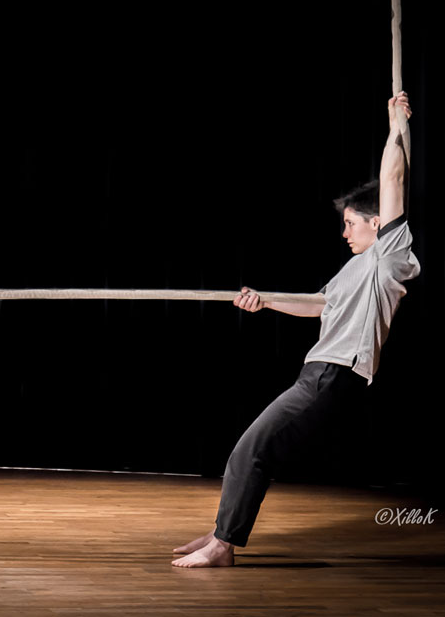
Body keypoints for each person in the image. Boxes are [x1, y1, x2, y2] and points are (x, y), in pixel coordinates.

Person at [172, 93, 420, 568]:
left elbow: (393, 177)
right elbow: (318, 306)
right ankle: (222, 529)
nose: (345, 233)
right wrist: (262, 300)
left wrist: (395, 126)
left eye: (351, 224)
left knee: (253, 447)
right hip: (318, 373)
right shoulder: (355, 269)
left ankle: (223, 545)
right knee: (252, 449)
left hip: (335, 373)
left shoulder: (388, 257)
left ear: (377, 223)